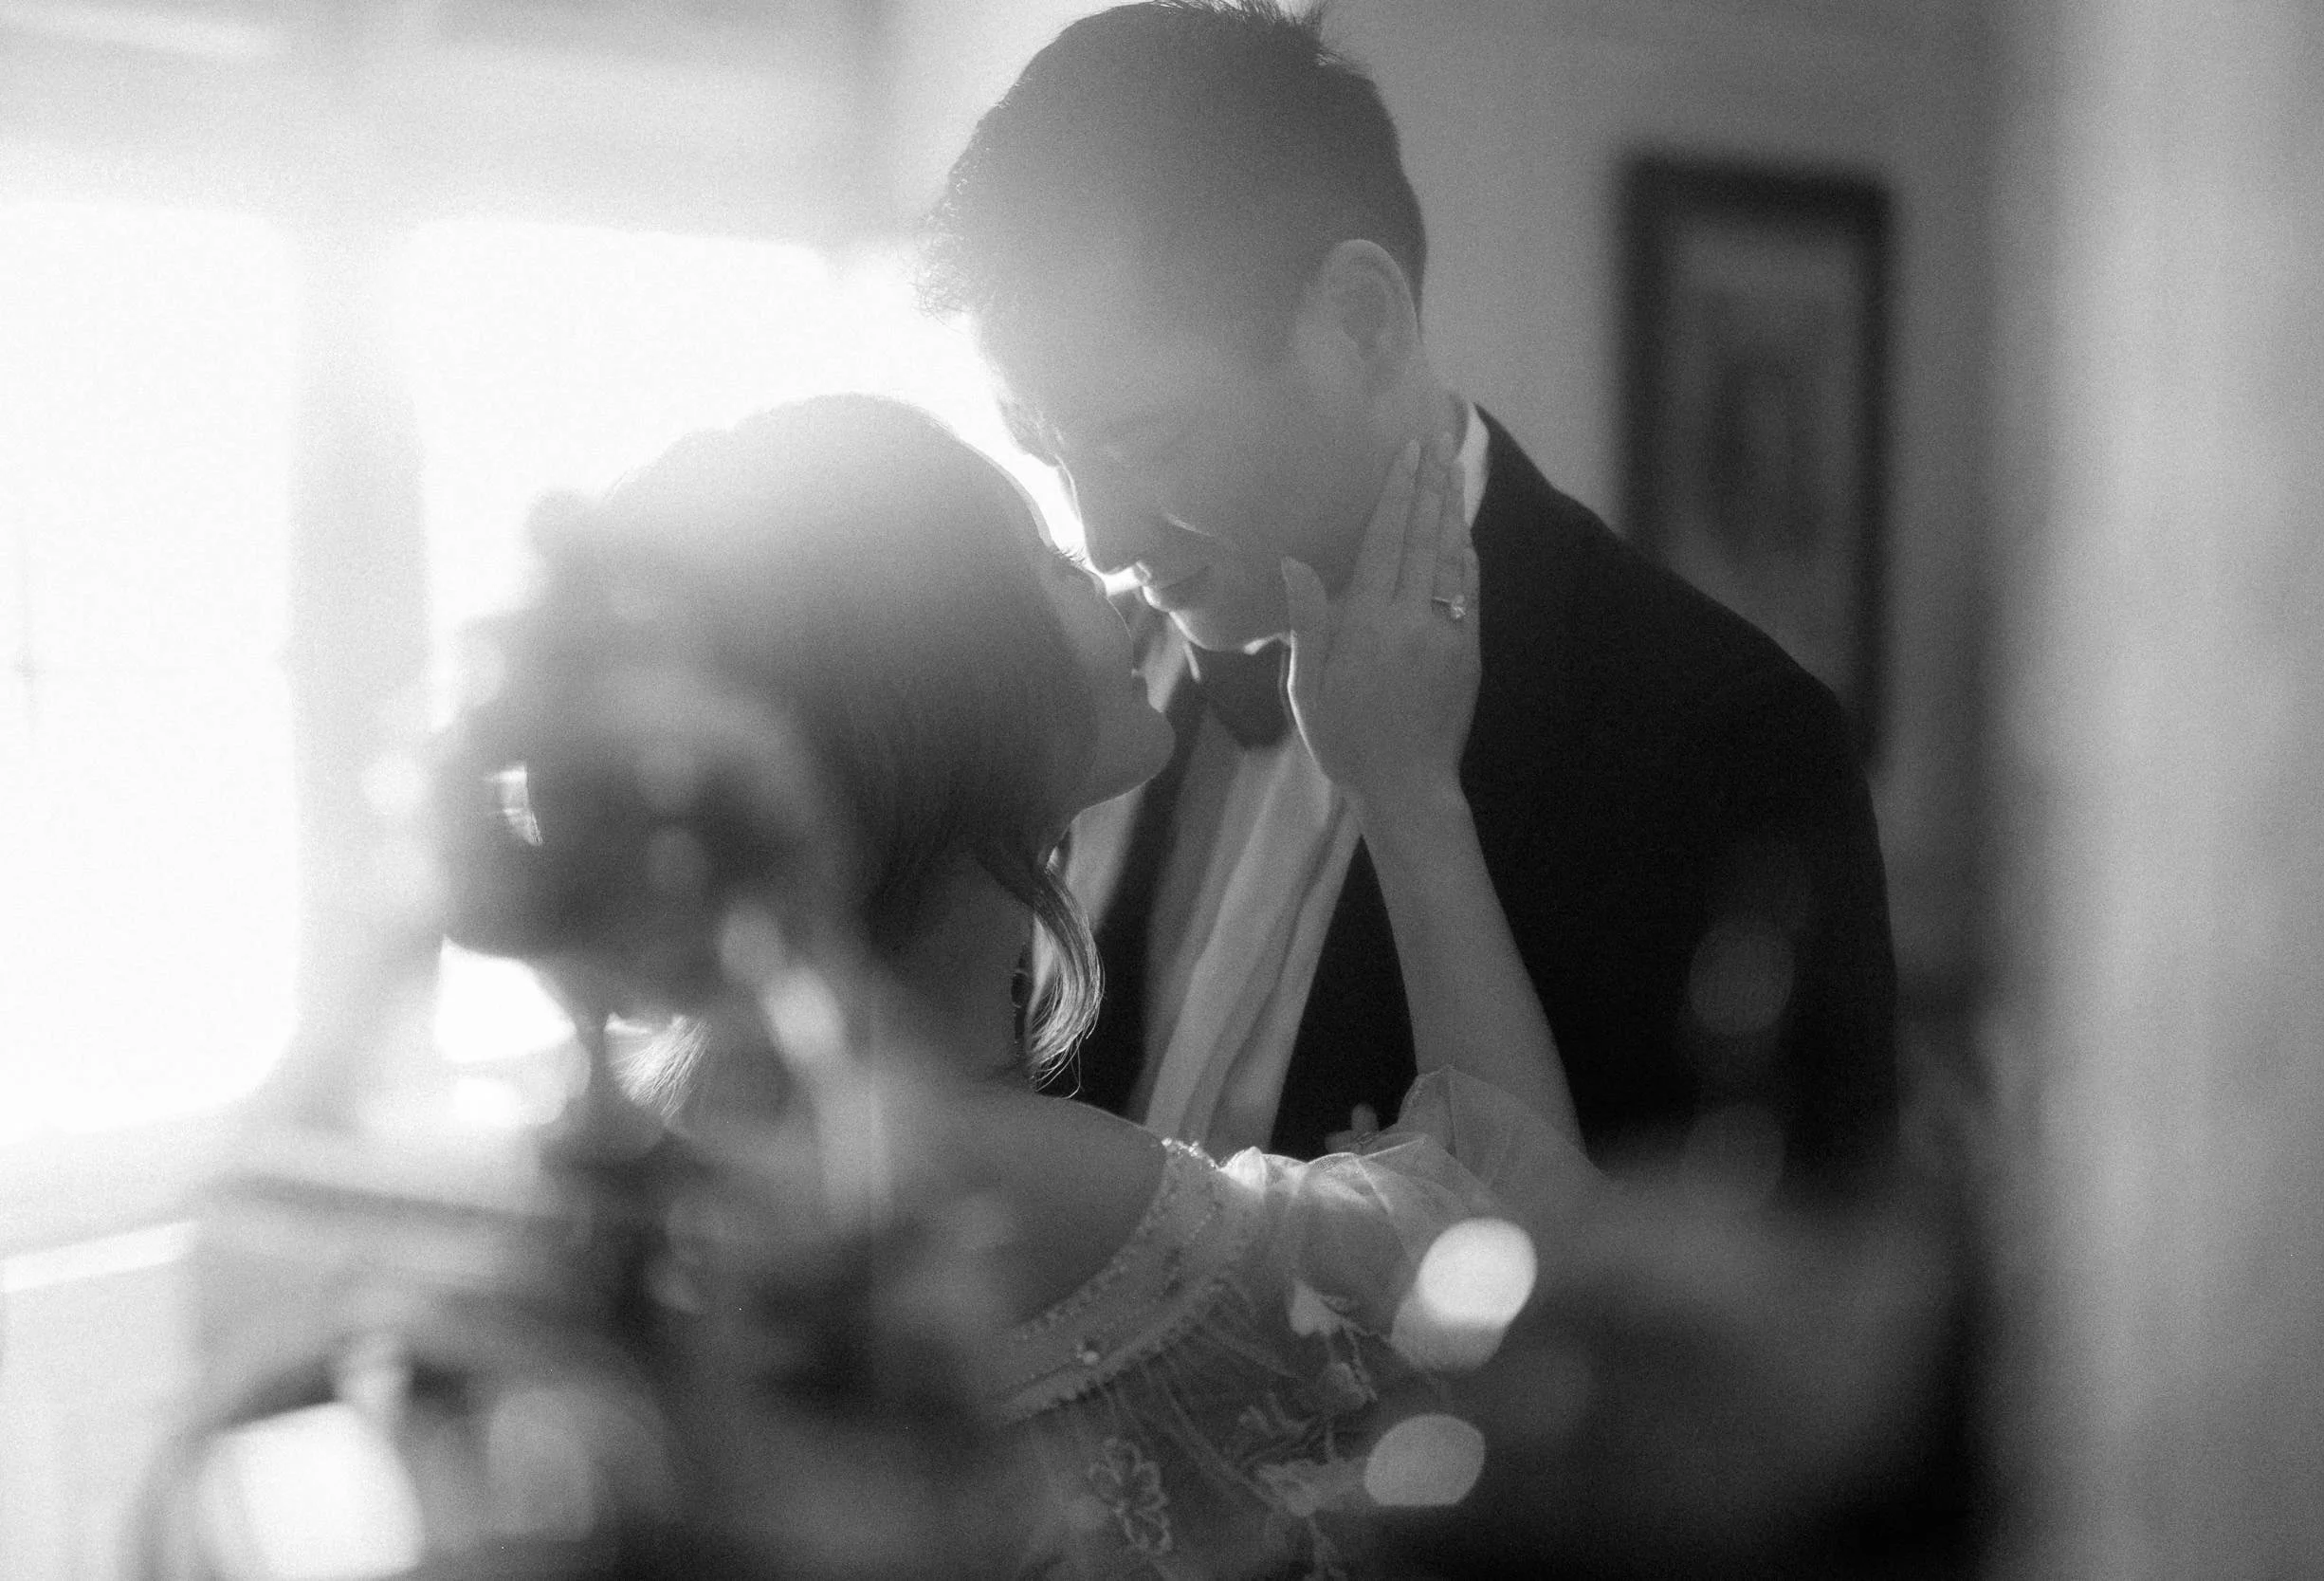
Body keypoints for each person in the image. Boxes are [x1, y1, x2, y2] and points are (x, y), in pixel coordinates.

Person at [428, 395, 1599, 1578]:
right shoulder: (992, 1182)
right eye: (1039, 553)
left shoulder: (705, 1127)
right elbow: (1537, 1278)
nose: (1101, 568)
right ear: (946, 672)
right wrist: (1408, 792)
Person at [917, 0, 1900, 1188]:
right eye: (1048, 449)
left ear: (1364, 321)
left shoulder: (1722, 735)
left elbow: (1762, 1310)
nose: (1104, 535)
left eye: (1148, 438)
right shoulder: (1084, 688)